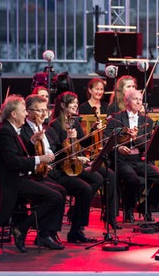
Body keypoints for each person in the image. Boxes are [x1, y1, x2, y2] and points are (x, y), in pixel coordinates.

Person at [0, 95, 64, 252]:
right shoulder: (5, 132)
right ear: (14, 114)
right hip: (12, 182)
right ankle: (22, 229)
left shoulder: (10, 129)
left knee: (60, 191)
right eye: (24, 111)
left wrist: (31, 142)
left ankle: (44, 234)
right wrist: (40, 159)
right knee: (54, 197)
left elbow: (19, 155)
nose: (26, 114)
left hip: (21, 177)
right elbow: (13, 162)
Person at [48, 92, 106, 242]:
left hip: (74, 166)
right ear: (62, 105)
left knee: (97, 178)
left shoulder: (74, 121)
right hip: (62, 169)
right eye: (72, 103)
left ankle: (77, 213)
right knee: (85, 189)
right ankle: (76, 229)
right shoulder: (54, 125)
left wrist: (93, 131)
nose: (75, 105)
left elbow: (84, 143)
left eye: (76, 102)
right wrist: (70, 146)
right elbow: (54, 151)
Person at [104, 89, 159, 222]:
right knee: (132, 179)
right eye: (135, 99)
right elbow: (106, 141)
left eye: (140, 99)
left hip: (139, 159)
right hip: (121, 160)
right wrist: (119, 147)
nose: (139, 102)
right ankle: (128, 210)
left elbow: (148, 146)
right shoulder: (116, 119)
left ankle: (145, 206)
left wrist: (136, 138)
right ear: (126, 102)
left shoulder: (147, 121)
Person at [18, 94, 69, 243]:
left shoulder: (47, 129)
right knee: (56, 193)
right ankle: (43, 233)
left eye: (44, 110)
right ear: (29, 111)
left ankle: (50, 232)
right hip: (35, 173)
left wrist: (68, 142)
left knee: (64, 190)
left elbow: (56, 149)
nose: (43, 113)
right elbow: (22, 155)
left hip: (51, 169)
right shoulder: (23, 130)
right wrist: (32, 142)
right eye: (39, 110)